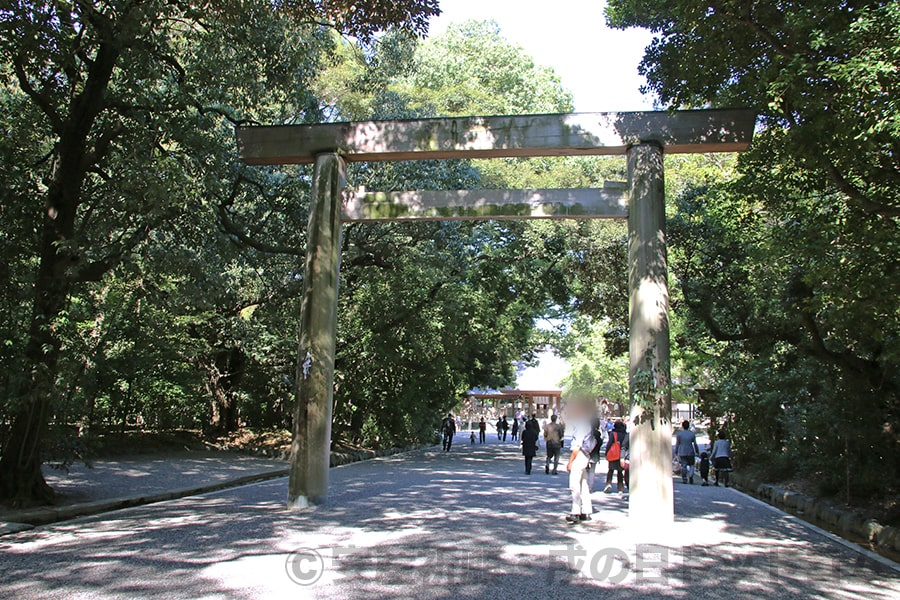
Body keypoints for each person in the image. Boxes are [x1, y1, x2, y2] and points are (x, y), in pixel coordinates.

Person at [565, 400, 597, 524]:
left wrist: (570, 462)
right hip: (586, 455)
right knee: (583, 483)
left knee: (574, 484)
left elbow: (577, 446)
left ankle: (575, 511)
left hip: (580, 455)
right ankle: (586, 510)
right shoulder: (587, 423)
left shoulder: (581, 424)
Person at [603, 419, 629, 493]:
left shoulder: (613, 433)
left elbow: (609, 443)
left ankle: (608, 483)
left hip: (613, 453)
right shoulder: (625, 434)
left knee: (610, 470)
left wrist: (607, 452)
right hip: (622, 454)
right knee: (620, 472)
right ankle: (620, 487)